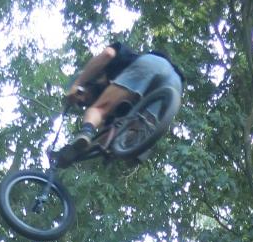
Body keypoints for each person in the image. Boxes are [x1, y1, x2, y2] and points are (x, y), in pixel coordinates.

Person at [52, 39, 184, 167]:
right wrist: (77, 154)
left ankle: (86, 131)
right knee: (135, 129)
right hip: (175, 84)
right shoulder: (114, 109)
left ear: (89, 82)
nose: (82, 101)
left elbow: (108, 54)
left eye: (80, 94)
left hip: (152, 63)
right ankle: (138, 148)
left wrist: (77, 83)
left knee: (97, 110)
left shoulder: (113, 64)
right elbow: (107, 137)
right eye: (80, 104)